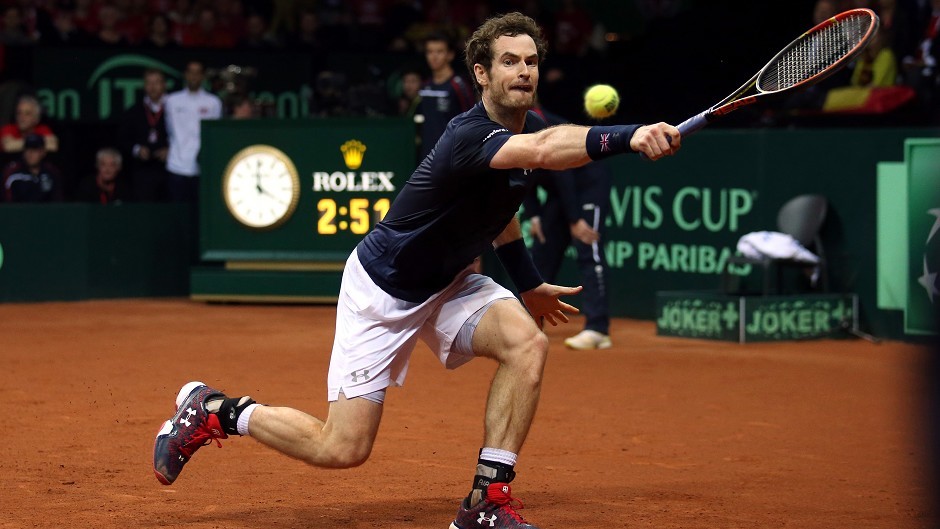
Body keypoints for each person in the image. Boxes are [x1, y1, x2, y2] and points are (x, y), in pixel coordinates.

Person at [152, 12, 679, 529]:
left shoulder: (529, 125)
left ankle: (485, 501)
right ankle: (216, 411)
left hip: (449, 281)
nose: (524, 71)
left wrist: (530, 284)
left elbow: (504, 213)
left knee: (527, 344)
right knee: (341, 449)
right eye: (510, 61)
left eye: (532, 62)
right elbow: (543, 151)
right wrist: (629, 136)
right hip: (384, 290)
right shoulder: (469, 135)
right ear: (481, 73)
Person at [522, 107, 613, 350]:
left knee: (588, 249)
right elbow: (518, 171)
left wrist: (575, 220)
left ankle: (597, 328)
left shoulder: (543, 124)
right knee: (543, 251)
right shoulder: (506, 126)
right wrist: (534, 216)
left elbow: (564, 174)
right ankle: (530, 321)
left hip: (586, 184)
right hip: (560, 192)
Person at [164, 60, 222, 202]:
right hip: (176, 166)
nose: (194, 76)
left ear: (202, 76)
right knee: (178, 212)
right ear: (185, 75)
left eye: (197, 73)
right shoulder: (172, 101)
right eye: (191, 72)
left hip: (203, 167)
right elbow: (168, 129)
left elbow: (214, 136)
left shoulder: (213, 102)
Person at [416, 31, 476, 160]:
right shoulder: (424, 87)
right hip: (426, 156)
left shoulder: (458, 85)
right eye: (430, 52)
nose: (434, 57)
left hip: (452, 157)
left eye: (439, 52)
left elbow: (472, 120)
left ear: (450, 55)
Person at [117, 68, 171, 202]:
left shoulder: (175, 108)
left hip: (170, 168)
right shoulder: (134, 111)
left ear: (164, 85)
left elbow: (186, 134)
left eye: (157, 82)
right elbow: (122, 138)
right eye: (149, 83)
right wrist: (137, 149)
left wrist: (171, 150)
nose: (153, 87)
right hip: (143, 170)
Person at [2, 133, 63, 203]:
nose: (30, 154)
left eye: (35, 150)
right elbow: (7, 204)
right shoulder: (12, 172)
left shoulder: (51, 172)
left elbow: (58, 202)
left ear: (43, 152)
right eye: (27, 150)